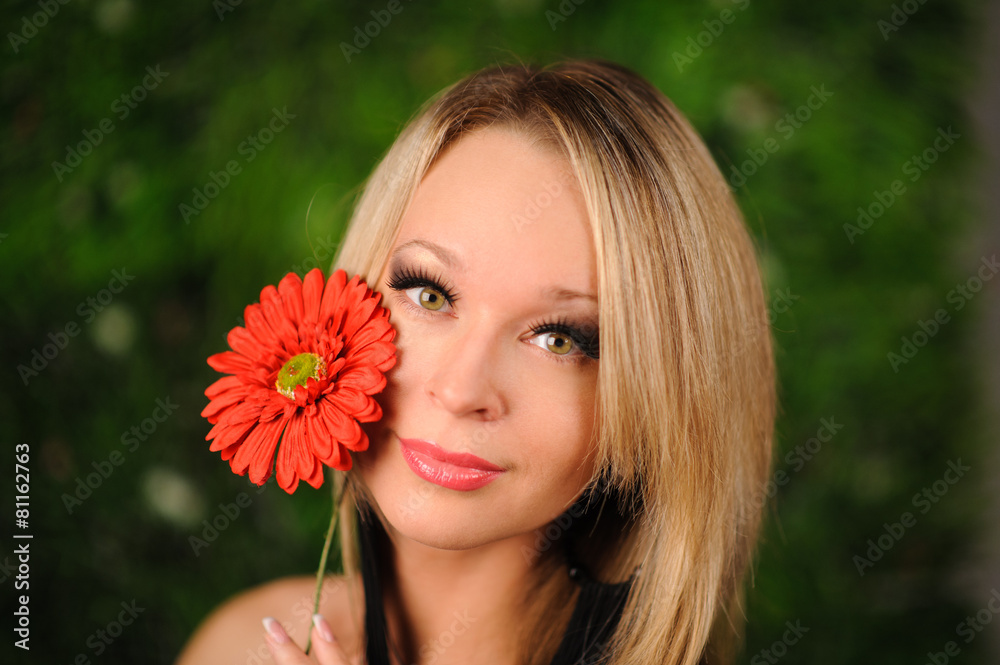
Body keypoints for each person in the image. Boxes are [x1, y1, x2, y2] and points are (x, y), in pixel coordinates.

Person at [176, 58, 776, 665]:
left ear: (657, 399)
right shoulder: (242, 643)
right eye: (429, 295)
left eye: (560, 339)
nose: (463, 389)